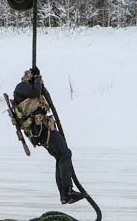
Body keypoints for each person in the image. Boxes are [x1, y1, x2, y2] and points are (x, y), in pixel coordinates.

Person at [12, 68, 86, 205]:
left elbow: (39, 93)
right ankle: (67, 191)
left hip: (42, 128)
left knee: (61, 156)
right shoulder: (21, 87)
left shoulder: (29, 88)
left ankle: (65, 194)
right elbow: (35, 92)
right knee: (65, 153)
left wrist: (39, 82)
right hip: (41, 129)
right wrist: (38, 79)